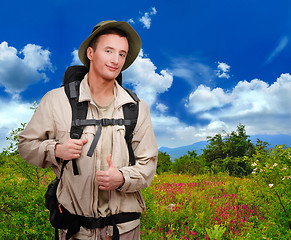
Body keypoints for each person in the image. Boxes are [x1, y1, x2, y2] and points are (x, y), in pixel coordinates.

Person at [18, 20, 158, 240]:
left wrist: (122, 178)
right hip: (75, 230)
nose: (115, 60)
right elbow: (26, 145)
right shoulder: (56, 100)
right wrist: (55, 150)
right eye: (109, 50)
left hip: (125, 230)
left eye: (122, 54)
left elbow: (148, 163)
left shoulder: (137, 108)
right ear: (91, 53)